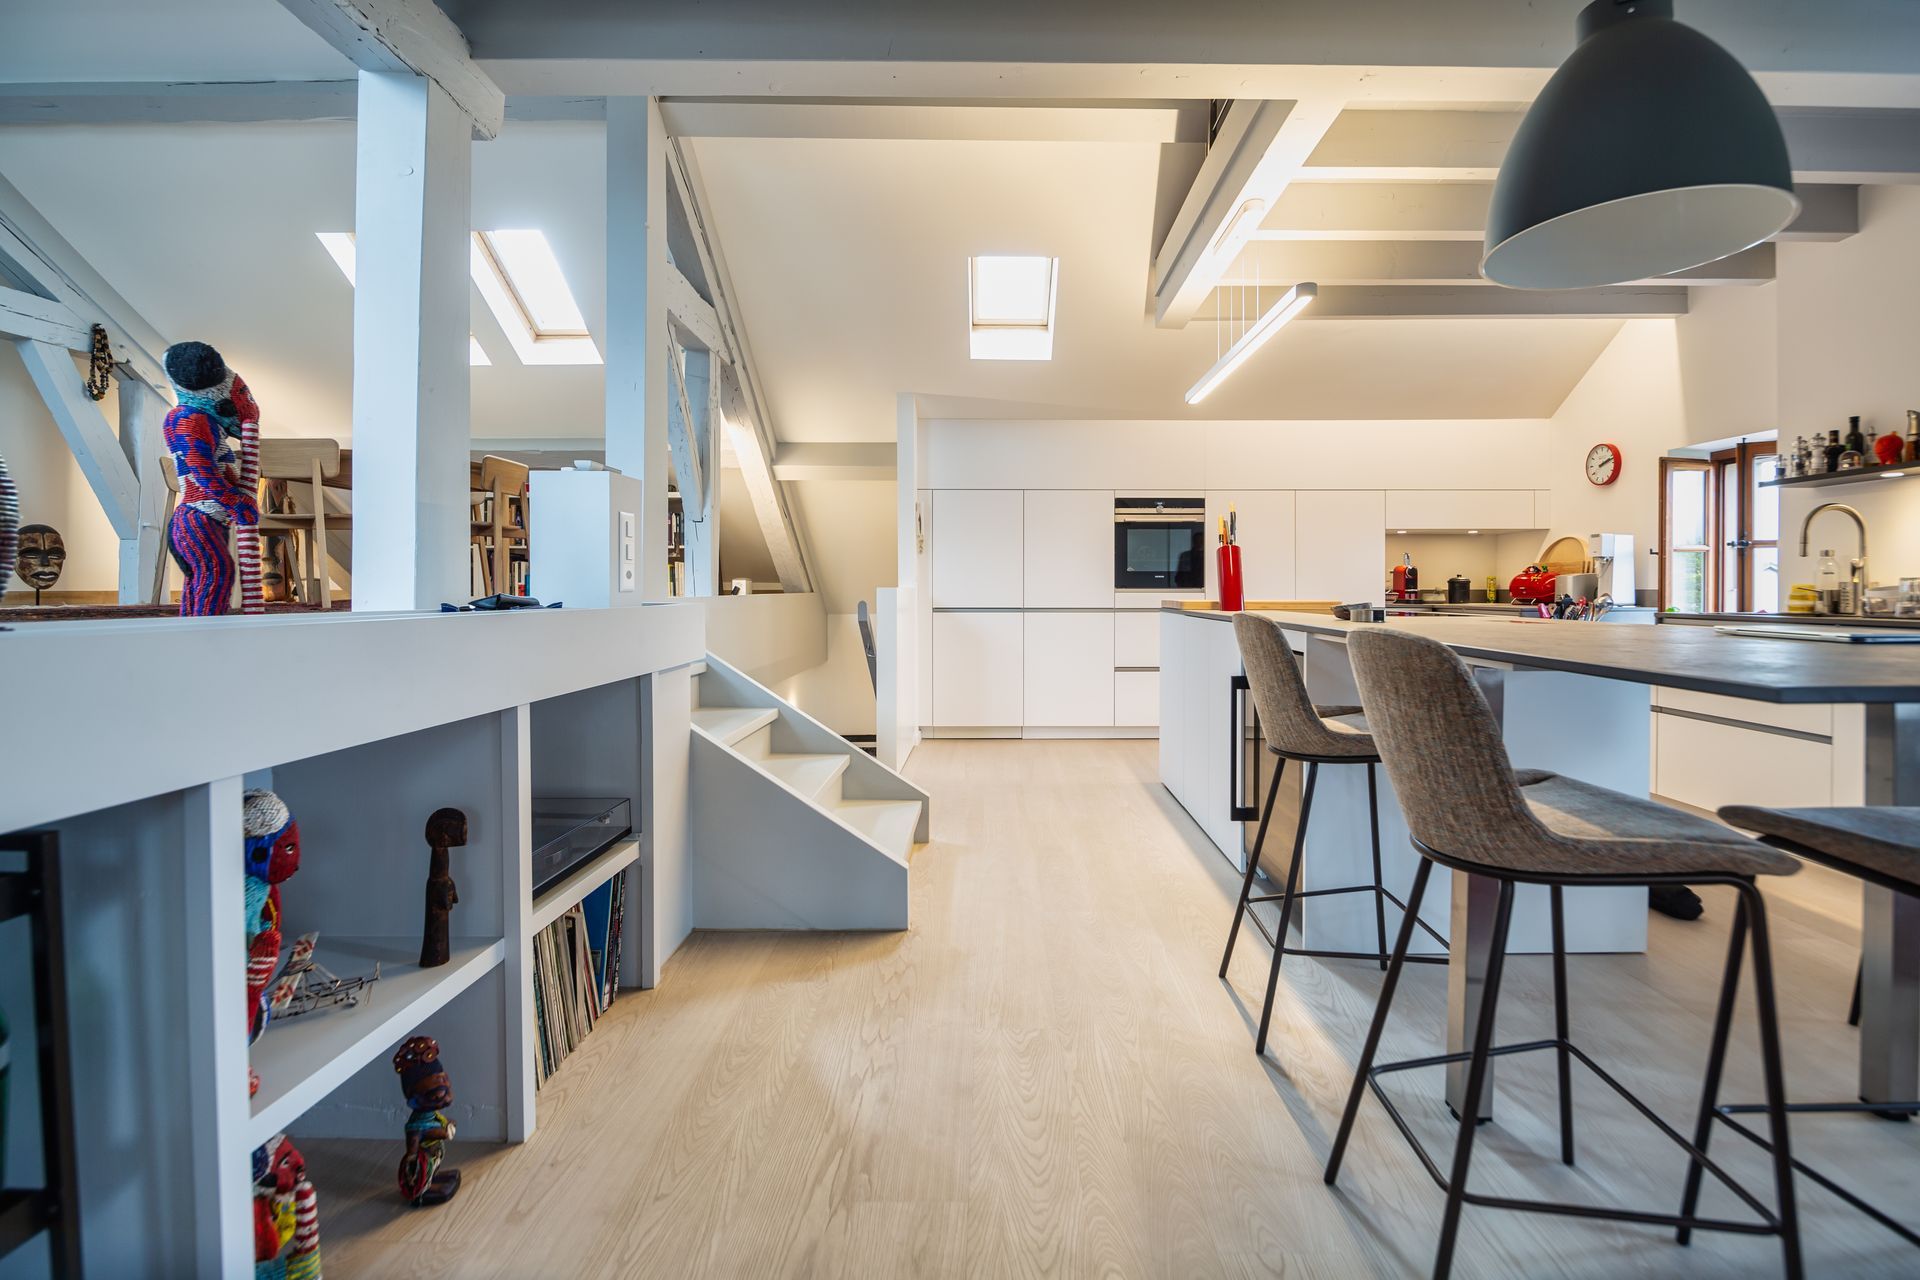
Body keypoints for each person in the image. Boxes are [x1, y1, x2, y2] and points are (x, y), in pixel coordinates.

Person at [162, 342, 259, 616]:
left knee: (206, 575)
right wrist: (235, 502)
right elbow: (201, 470)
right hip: (198, 517)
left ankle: (195, 632)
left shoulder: (200, 420)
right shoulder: (188, 419)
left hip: (206, 519)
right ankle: (207, 634)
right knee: (216, 571)